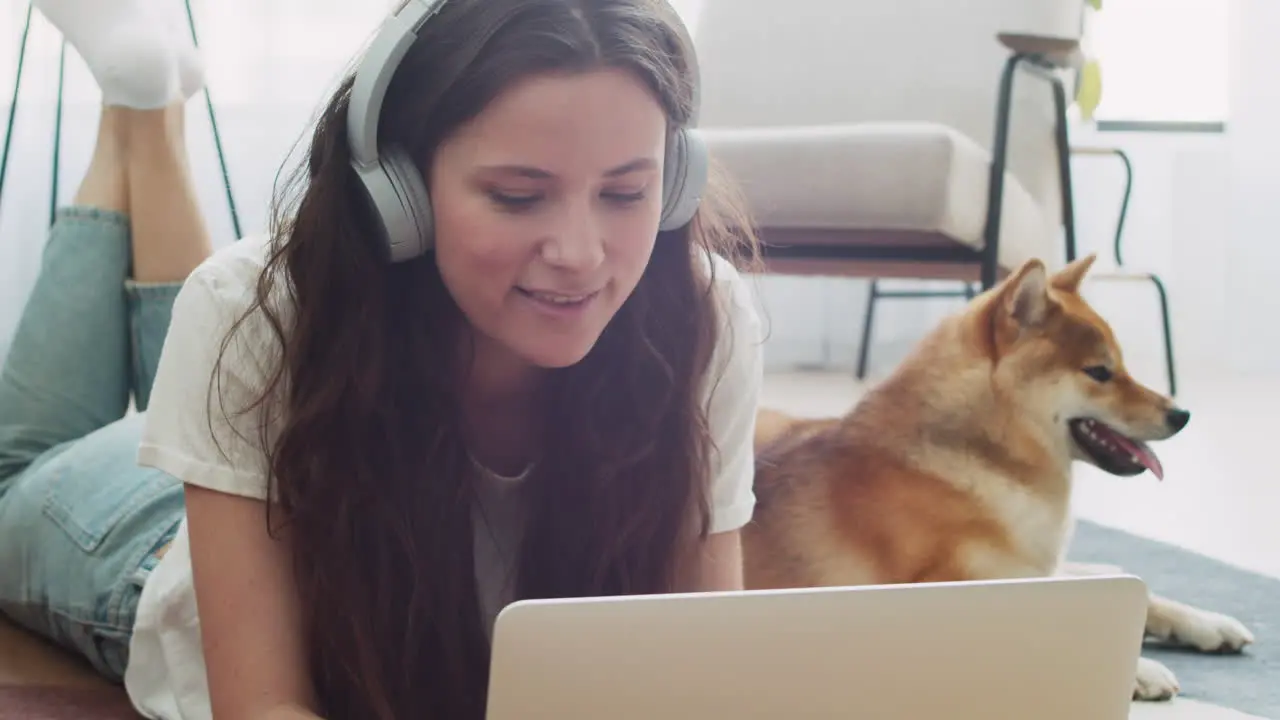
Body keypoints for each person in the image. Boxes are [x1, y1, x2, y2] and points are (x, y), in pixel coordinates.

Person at [0, 0, 765, 718]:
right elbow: (266, 706)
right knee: (16, 465)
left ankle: (141, 102)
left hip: (242, 456)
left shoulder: (703, 318)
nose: (580, 254)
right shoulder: (250, 310)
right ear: (399, 190)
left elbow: (706, 676)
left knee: (224, 322)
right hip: (138, 538)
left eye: (626, 193)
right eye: (516, 197)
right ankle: (140, 105)